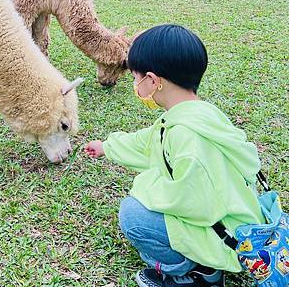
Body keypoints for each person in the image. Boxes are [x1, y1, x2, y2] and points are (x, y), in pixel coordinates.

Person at [85, 24, 265, 287]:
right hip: (233, 222)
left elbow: (195, 202)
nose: (135, 86)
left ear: (153, 81)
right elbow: (147, 141)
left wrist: (146, 188)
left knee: (132, 215)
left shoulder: (186, 136)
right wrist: (107, 147)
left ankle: (198, 274)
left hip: (226, 239)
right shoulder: (198, 113)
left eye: (135, 79)